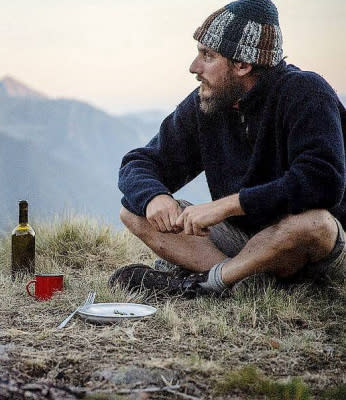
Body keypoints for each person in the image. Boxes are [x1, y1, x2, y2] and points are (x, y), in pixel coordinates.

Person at [111, 0, 346, 298]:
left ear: (242, 64)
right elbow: (140, 162)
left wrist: (226, 206)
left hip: (307, 246)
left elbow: (322, 182)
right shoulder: (207, 103)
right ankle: (233, 282)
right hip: (242, 240)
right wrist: (154, 197)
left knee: (315, 224)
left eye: (207, 56)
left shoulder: (306, 93)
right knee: (133, 210)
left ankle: (209, 281)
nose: (194, 68)